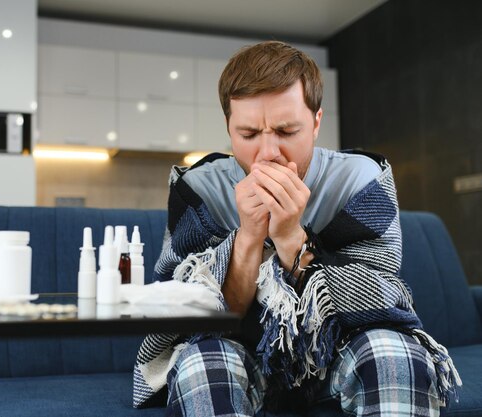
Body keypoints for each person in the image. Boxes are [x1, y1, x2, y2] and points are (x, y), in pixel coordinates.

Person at [133, 40, 460, 416]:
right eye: (249, 134)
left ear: (317, 122)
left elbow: (381, 299)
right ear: (228, 126)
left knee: (393, 354)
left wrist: (290, 238)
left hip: (337, 354)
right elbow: (189, 311)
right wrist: (250, 236)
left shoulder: (362, 182)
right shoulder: (198, 190)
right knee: (200, 367)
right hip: (239, 354)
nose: (268, 152)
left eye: (287, 131)